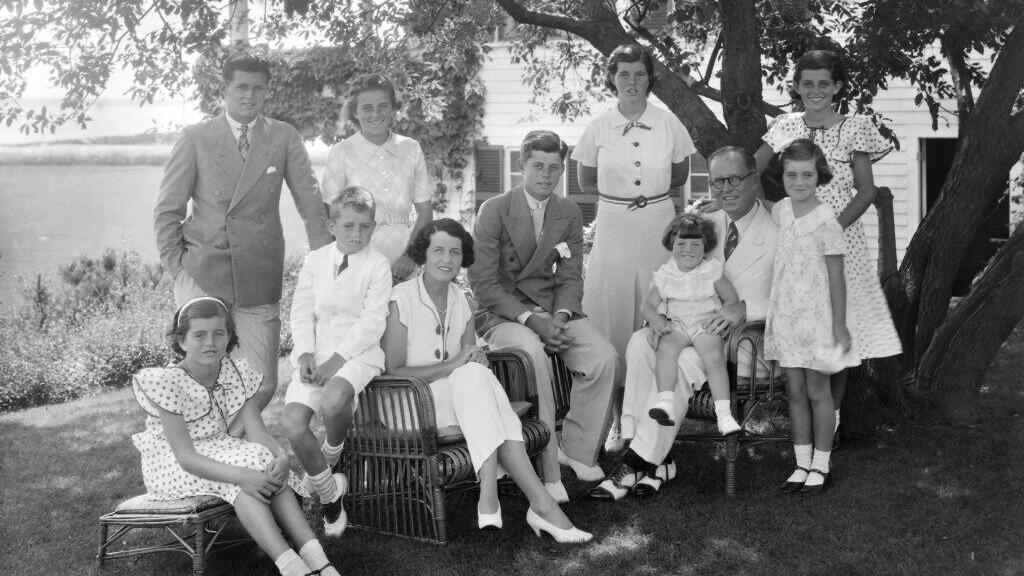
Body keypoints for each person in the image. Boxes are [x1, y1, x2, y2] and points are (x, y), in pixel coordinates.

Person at [383, 218, 592, 543]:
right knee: (475, 380)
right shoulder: (401, 299)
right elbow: (393, 371)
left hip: (459, 399)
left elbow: (469, 359)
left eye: (455, 252)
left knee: (475, 373)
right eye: (438, 250)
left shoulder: (461, 301)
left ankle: (509, 500)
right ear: (422, 254)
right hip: (409, 403)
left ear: (463, 258)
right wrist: (456, 364)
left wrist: (475, 358)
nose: (446, 259)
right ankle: (531, 503)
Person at [589, 146, 778, 501]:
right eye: (717, 181)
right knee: (640, 342)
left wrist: (744, 308)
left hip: (745, 343)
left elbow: (794, 298)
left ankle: (635, 463)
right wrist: (660, 317)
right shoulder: (707, 225)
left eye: (735, 179)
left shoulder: (778, 229)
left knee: (681, 361)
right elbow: (678, 278)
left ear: (753, 180)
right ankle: (656, 457)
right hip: (690, 328)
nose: (725, 189)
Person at [154, 53, 332, 415]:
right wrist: (179, 270)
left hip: (258, 275)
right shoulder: (195, 138)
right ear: (224, 90)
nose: (249, 95)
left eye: (258, 88)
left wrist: (327, 267)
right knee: (201, 381)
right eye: (241, 87)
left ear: (266, 92)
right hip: (203, 272)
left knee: (262, 383)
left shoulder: (283, 136)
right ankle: (212, 448)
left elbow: (311, 204)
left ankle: (226, 440)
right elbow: (167, 211)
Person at [130, 297, 339, 576]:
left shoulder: (234, 372)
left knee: (263, 458)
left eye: (219, 333)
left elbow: (258, 434)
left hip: (217, 448)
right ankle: (292, 568)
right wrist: (242, 476)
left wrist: (280, 456)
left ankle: (319, 561)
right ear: (182, 341)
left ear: (229, 336)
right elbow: (185, 457)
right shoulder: (168, 381)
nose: (210, 342)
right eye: (199, 335)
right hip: (170, 462)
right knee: (239, 479)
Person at [754, 49, 901, 443]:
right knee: (805, 319)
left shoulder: (855, 126)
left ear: (837, 87)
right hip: (796, 243)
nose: (815, 90)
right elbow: (751, 169)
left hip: (840, 237)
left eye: (824, 83)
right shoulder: (786, 124)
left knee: (838, 326)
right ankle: (811, 418)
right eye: (807, 83)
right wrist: (770, 211)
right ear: (797, 87)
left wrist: (831, 228)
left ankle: (830, 419)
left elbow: (866, 190)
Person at [470, 130, 617, 502]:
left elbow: (570, 276)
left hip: (554, 310)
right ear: (522, 165)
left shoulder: (569, 212)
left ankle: (577, 449)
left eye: (554, 168)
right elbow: (484, 284)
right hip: (503, 314)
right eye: (538, 166)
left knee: (604, 358)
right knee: (534, 354)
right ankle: (549, 469)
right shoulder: (494, 210)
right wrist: (532, 321)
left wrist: (561, 318)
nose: (546, 175)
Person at [571, 43, 696, 451]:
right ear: (612, 78)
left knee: (660, 307)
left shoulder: (668, 123)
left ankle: (653, 417)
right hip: (614, 224)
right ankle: (613, 421)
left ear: (649, 78)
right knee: (611, 313)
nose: (631, 81)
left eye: (639, 74)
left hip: (658, 222)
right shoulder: (598, 127)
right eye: (623, 74)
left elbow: (679, 175)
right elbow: (586, 181)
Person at [281, 187, 392, 537]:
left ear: (373, 227)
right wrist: (305, 353)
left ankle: (329, 457)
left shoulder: (378, 264)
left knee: (333, 400)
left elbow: (373, 321)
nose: (357, 234)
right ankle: (330, 494)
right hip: (316, 354)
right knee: (293, 424)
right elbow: (301, 311)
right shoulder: (315, 260)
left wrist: (336, 361)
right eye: (348, 226)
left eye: (365, 226)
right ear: (331, 226)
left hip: (359, 354)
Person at [768, 139, 858, 493]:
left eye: (807, 175)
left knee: (817, 390)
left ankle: (822, 464)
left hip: (818, 319)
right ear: (782, 176)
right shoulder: (781, 211)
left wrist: (839, 326)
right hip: (787, 316)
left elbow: (837, 276)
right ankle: (801, 463)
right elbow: (757, 206)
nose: (799, 182)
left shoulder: (827, 221)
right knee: (794, 391)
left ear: (819, 177)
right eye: (792, 175)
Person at [321, 73, 434, 282]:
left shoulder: (411, 149)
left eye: (383, 106)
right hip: (356, 265)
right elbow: (328, 214)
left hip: (403, 264)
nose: (376, 113)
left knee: (402, 305)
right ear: (354, 112)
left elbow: (425, 211)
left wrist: (411, 256)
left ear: (393, 108)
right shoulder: (341, 152)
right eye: (367, 108)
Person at [642, 213, 743, 436]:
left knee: (713, 356)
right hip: (677, 324)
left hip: (704, 324)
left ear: (705, 247)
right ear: (671, 245)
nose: (688, 250)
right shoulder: (665, 274)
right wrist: (657, 319)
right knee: (666, 350)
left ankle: (724, 414)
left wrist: (723, 316)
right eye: (681, 244)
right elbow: (647, 305)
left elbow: (731, 300)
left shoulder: (711, 271)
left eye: (695, 245)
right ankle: (666, 401)